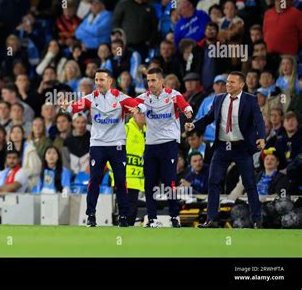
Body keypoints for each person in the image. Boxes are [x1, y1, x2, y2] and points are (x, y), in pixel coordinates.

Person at [60, 68, 142, 227]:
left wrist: (138, 109)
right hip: (98, 145)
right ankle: (91, 215)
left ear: (110, 81)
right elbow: (75, 107)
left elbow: (139, 106)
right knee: (94, 180)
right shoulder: (90, 98)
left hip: (117, 145)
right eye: (96, 80)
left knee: (120, 181)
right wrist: (66, 106)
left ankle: (123, 217)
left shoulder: (121, 98)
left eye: (101, 80)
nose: (98, 83)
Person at [186, 71, 266, 228]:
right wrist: (194, 124)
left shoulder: (250, 100)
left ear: (241, 85)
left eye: (232, 82)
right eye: (227, 82)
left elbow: (259, 120)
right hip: (222, 147)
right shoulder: (218, 99)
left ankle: (257, 220)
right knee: (213, 181)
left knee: (250, 183)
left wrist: (261, 137)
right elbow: (209, 118)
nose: (227, 84)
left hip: (242, 147)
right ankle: (211, 219)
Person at [128, 67, 193, 228]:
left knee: (169, 181)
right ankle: (152, 219)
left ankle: (174, 217)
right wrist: (135, 108)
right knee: (149, 183)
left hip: (169, 144)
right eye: (148, 80)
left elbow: (185, 106)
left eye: (153, 80)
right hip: (150, 145)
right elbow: (137, 106)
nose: (150, 84)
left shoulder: (173, 95)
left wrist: (188, 112)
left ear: (162, 81)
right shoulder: (144, 98)